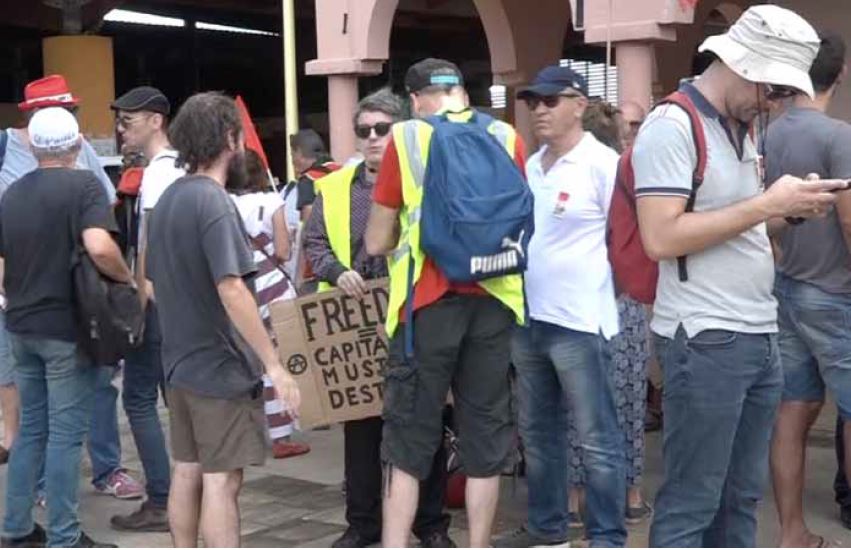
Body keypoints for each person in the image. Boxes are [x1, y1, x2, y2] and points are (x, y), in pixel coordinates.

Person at [632, 5, 841, 547]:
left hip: (756, 330)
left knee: (740, 500)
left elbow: (738, 225)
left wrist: (790, 210)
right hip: (705, 338)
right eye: (775, 91)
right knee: (693, 505)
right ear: (746, 67)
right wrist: (765, 204)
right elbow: (661, 237)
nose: (778, 104)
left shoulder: (738, 127)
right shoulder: (672, 125)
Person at [365, 58, 527, 548]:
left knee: (408, 439)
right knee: (485, 438)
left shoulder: (409, 138)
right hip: (496, 301)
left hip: (427, 306)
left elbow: (375, 241)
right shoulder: (506, 137)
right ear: (460, 90)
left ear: (415, 100)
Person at [146, 92, 301, 547]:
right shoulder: (213, 203)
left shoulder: (169, 199)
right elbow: (232, 287)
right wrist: (273, 365)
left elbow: (151, 280)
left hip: (179, 364)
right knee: (222, 481)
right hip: (219, 368)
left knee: (187, 470)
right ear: (231, 139)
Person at [303, 88, 453, 548]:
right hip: (355, 323)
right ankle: (363, 524)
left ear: (400, 130)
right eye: (363, 130)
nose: (372, 139)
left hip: (412, 317)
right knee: (362, 433)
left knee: (421, 425)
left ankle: (429, 524)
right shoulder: (334, 189)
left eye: (382, 130)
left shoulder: (427, 183)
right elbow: (315, 245)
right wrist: (337, 271)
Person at [493, 67, 626, 548]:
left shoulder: (603, 164)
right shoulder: (530, 165)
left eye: (551, 100)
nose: (540, 110)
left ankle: (607, 536)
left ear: (579, 105)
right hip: (529, 318)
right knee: (538, 432)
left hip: (579, 321)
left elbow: (624, 238)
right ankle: (546, 528)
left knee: (596, 436)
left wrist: (608, 294)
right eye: (533, 102)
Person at [0, 74, 142, 503]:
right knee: (49, 418)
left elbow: (104, 206)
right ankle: (59, 524)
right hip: (30, 305)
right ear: (33, 115)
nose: (70, 116)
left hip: (77, 303)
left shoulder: (78, 162)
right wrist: (127, 279)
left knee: (97, 388)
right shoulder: (5, 152)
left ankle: (101, 472)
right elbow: (100, 242)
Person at [765, 32, 851, 548]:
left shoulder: (770, 133)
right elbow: (848, 220)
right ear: (839, 75)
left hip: (787, 289)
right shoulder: (839, 135)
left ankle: (792, 532)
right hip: (837, 294)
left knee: (792, 411)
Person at [572, 99, 653, 527]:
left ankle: (575, 499)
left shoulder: (567, 174)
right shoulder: (635, 178)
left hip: (580, 303)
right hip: (625, 301)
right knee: (626, 401)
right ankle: (630, 493)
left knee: (576, 404)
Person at [108, 85, 181, 531]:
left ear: (156, 121)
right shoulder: (177, 167)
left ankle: (161, 497)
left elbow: (147, 251)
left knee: (138, 399)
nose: (121, 131)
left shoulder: (158, 173)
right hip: (176, 304)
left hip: (156, 304)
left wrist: (137, 305)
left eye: (129, 122)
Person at [230, 149, 308, 461]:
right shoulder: (272, 202)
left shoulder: (225, 204)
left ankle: (247, 431)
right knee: (278, 362)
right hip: (273, 288)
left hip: (240, 289)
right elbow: (284, 252)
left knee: (248, 360)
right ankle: (280, 436)